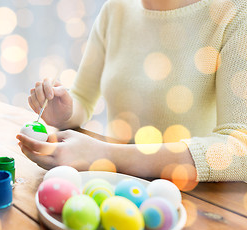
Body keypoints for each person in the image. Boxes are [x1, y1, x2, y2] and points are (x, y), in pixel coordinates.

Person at [16, 0, 247, 183]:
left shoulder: (234, 12)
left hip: (189, 197)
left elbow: (240, 150)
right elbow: (84, 98)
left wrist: (105, 155)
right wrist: (65, 112)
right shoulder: (114, 10)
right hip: (114, 185)